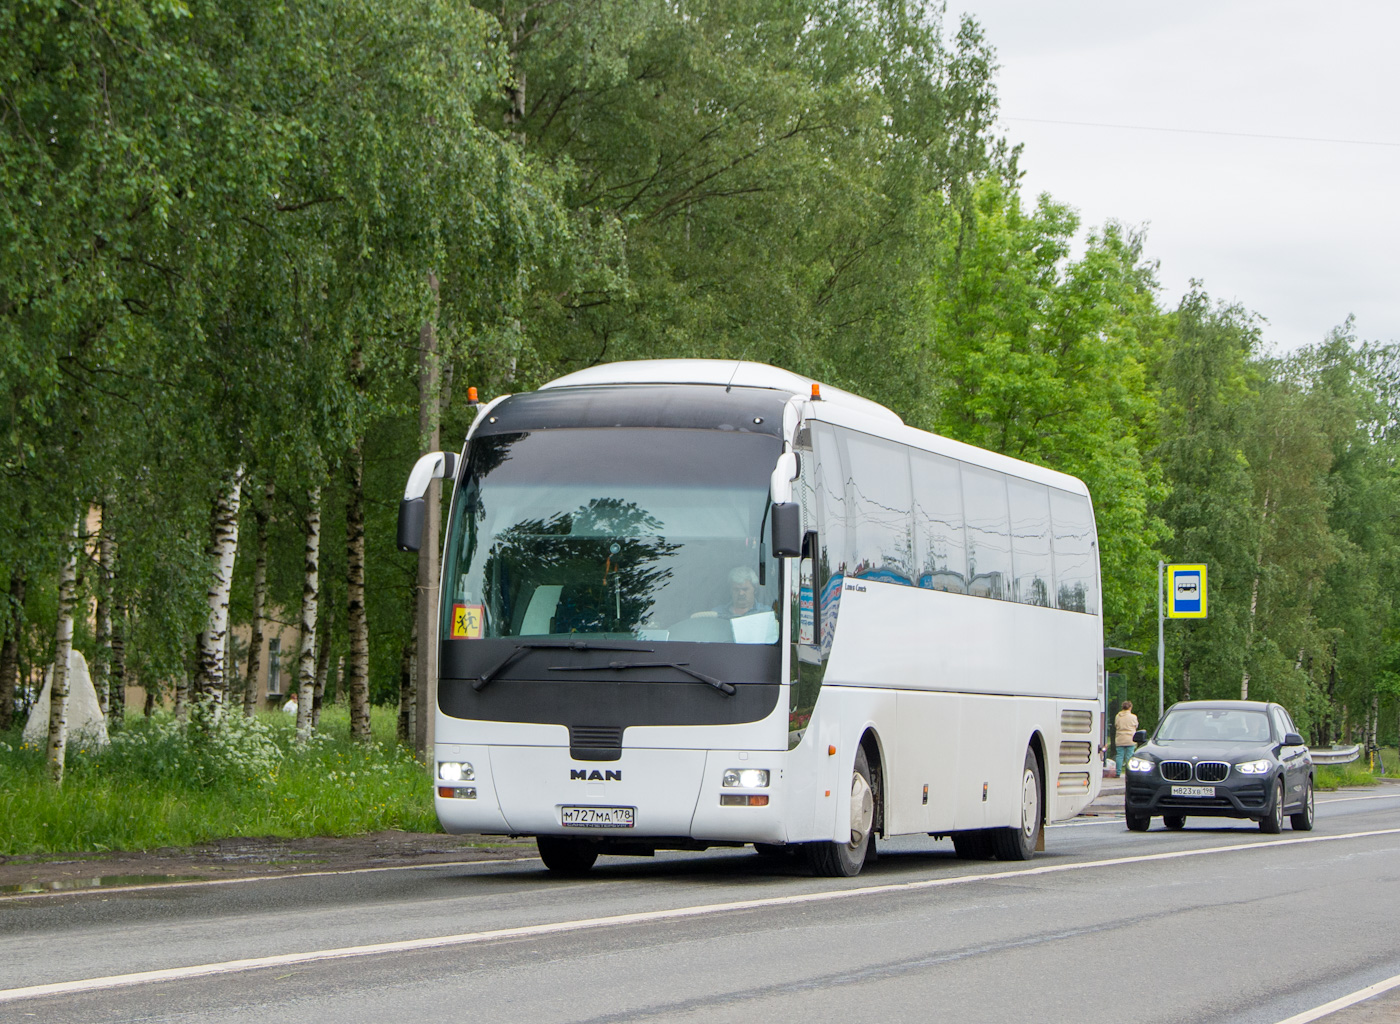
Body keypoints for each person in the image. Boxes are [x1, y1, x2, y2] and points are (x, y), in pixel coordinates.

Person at [693, 566, 760, 619]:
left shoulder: (765, 613)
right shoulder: (716, 614)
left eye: (745, 589)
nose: (741, 593)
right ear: (730, 591)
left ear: (755, 589)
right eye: (736, 589)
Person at [1114, 700, 1139, 776]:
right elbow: (1136, 726)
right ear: (1130, 708)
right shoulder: (1133, 717)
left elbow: (1116, 725)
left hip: (1120, 738)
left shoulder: (1118, 716)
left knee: (1119, 756)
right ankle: (1129, 773)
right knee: (1129, 756)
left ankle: (1118, 772)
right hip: (1130, 739)